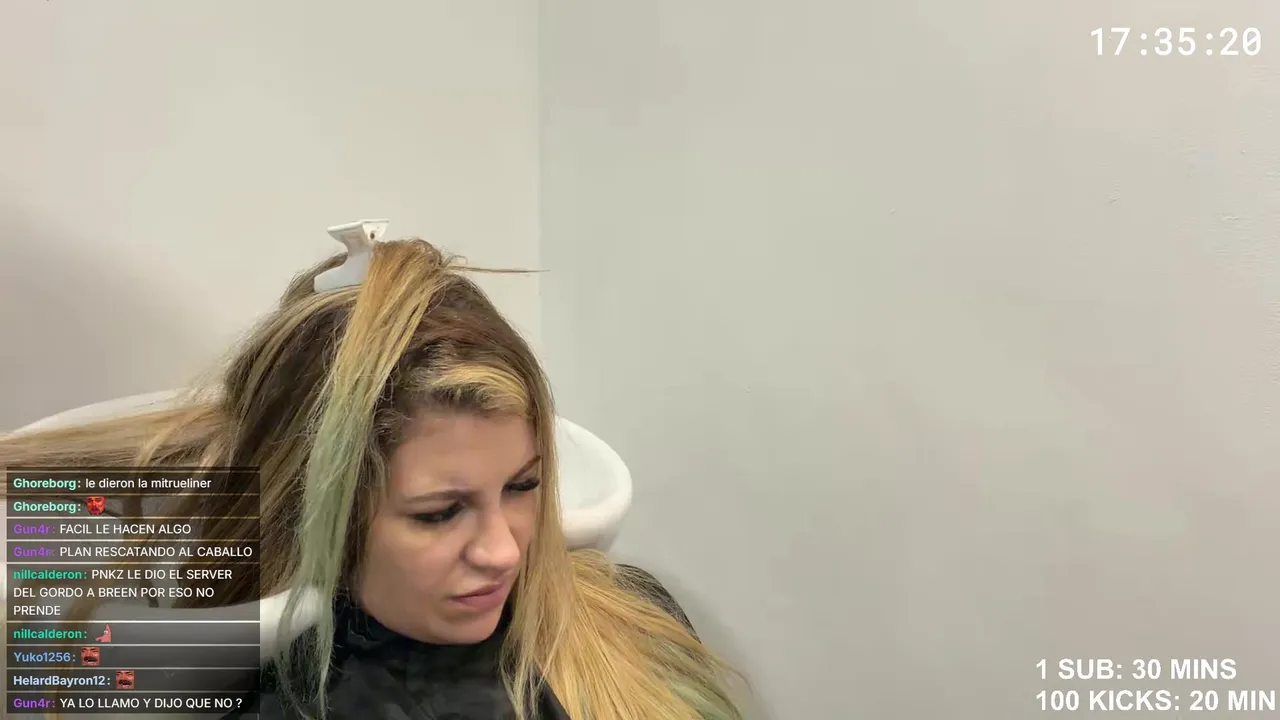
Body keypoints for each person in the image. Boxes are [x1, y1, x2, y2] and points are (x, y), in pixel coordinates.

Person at [0, 237, 743, 719]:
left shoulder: (631, 616)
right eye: (439, 513)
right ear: (315, 510)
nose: (504, 551)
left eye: (522, 486)